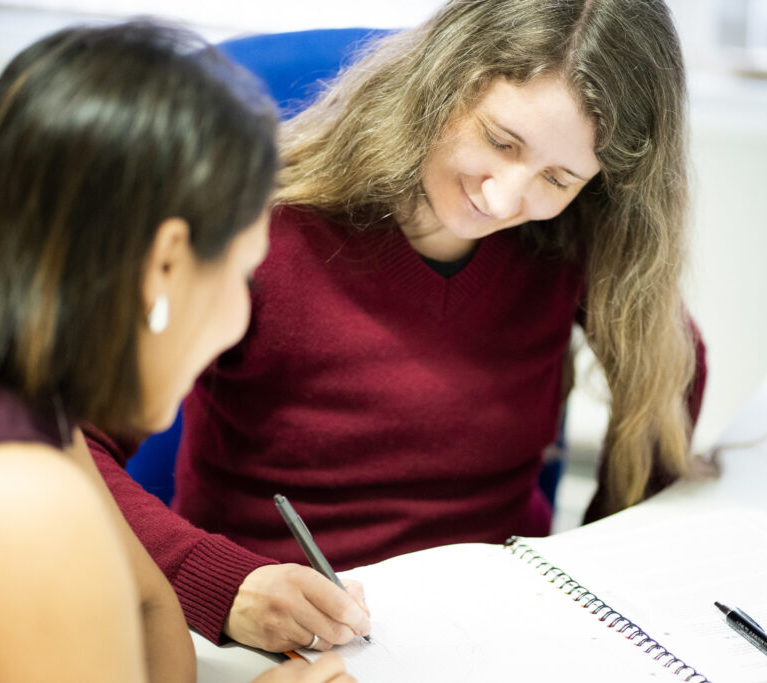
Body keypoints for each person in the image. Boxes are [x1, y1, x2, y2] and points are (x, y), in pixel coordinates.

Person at [88, 0, 707, 652]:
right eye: (500, 140)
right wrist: (225, 584)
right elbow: (68, 440)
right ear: (444, 78)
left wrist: (598, 567)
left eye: (558, 176)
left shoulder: (569, 238)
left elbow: (670, 365)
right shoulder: (262, 222)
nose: (502, 200)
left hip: (495, 636)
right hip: (283, 647)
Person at [0, 21, 359, 683]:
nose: (239, 317)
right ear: (166, 263)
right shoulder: (17, 504)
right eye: (239, 276)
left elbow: (151, 635)